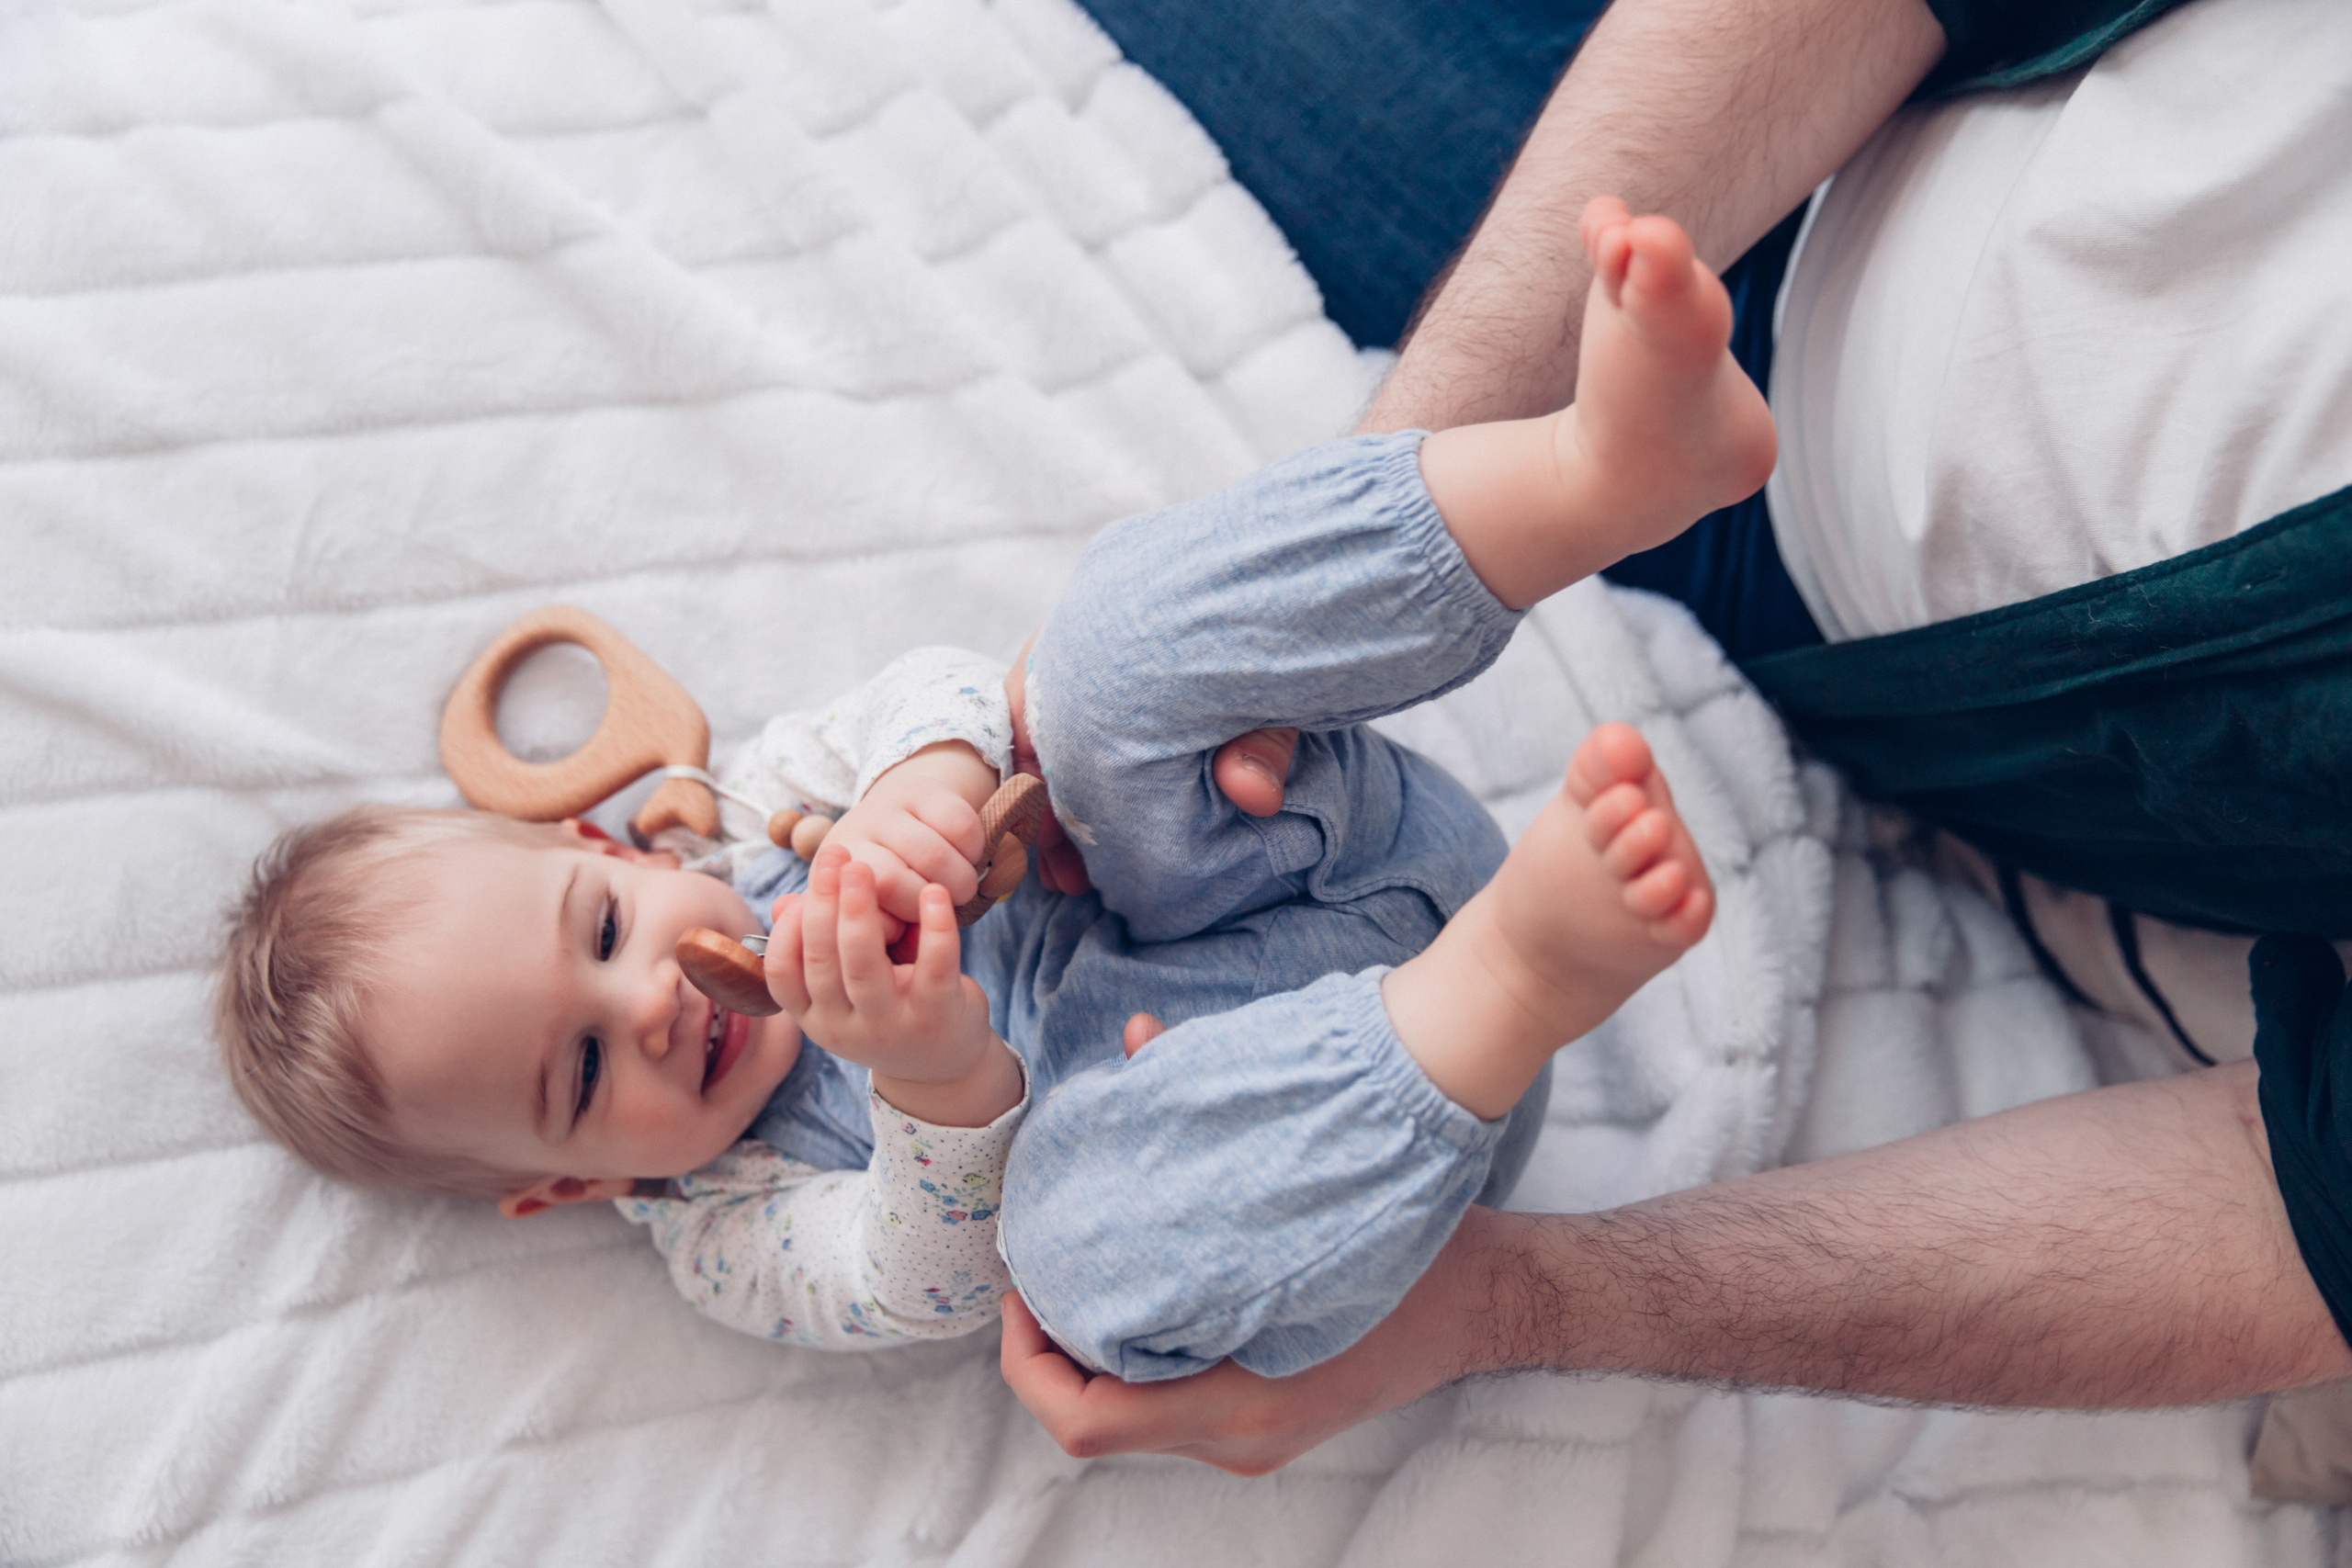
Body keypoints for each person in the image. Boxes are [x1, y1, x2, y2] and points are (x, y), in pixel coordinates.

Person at [1001, 0, 2352, 1468]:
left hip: (1317, 990)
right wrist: (1333, 562)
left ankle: (1523, 910)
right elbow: (880, 1262)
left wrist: (1493, 1302)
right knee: (1138, 676)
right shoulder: (723, 1230)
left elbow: (2310, 1218)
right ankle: (1583, 484)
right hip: (1773, 173)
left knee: (1093, 672)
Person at [216, 204, 1768, 1376]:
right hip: (1356, 1125)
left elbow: (943, 690)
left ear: (604, 838)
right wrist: (932, 1075)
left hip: (1308, 864)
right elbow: (925, 1285)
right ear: (565, 1185)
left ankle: (1586, 476)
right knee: (1072, 1267)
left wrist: (934, 781)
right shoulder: (728, 1229)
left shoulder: (765, 805)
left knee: (1091, 657)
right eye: (575, 1073)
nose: (646, 1005)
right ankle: (1521, 974)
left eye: (604, 927)